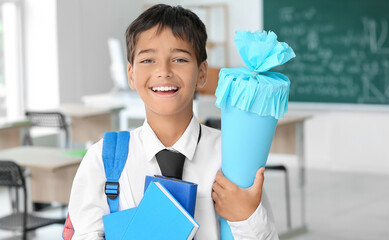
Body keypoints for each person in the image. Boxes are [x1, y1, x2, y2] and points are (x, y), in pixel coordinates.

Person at [67, 4, 279, 240]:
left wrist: (247, 217)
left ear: (201, 73)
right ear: (131, 75)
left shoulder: (231, 157)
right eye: (148, 60)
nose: (164, 71)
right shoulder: (104, 160)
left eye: (179, 59)